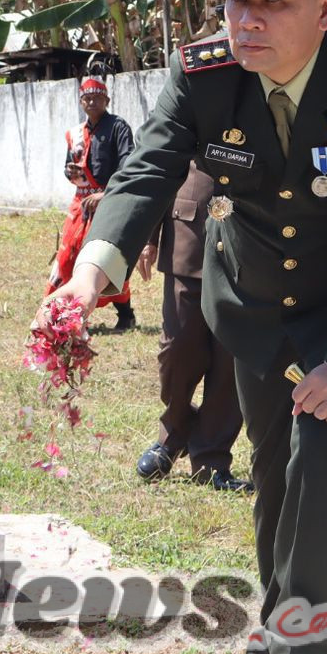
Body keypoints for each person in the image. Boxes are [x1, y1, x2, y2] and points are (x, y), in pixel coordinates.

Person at [42, 0, 327, 654]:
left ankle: (302, 647)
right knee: (274, 461)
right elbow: (149, 168)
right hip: (252, 300)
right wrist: (90, 274)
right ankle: (271, 626)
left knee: (323, 449)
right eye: (235, 1)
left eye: (274, 4)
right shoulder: (206, 75)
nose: (247, 21)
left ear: (326, 8)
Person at [132, 164, 250, 491]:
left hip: (246, 243)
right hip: (188, 233)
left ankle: (211, 459)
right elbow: (162, 163)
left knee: (230, 362)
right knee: (177, 348)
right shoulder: (187, 110)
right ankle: (175, 430)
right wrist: (150, 235)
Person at [48, 76, 136, 331]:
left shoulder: (119, 127)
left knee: (106, 262)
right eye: (87, 98)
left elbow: (128, 165)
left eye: (97, 97)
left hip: (108, 203)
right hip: (80, 205)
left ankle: (126, 315)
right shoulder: (75, 133)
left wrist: (106, 194)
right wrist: (71, 173)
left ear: (107, 100)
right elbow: (69, 171)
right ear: (80, 102)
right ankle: (64, 314)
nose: (92, 101)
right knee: (67, 258)